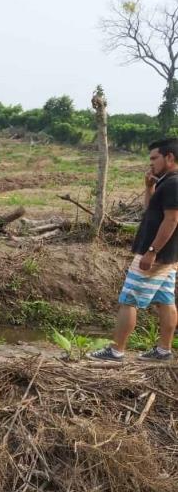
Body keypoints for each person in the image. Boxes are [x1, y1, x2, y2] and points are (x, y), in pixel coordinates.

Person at [89, 138, 178, 362]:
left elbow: (172, 220)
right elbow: (151, 213)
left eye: (154, 158)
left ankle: (116, 350)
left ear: (169, 157)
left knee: (129, 300)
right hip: (169, 256)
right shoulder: (166, 182)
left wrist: (151, 251)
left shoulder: (173, 184)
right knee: (165, 299)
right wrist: (149, 188)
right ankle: (163, 351)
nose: (151, 164)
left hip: (156, 255)